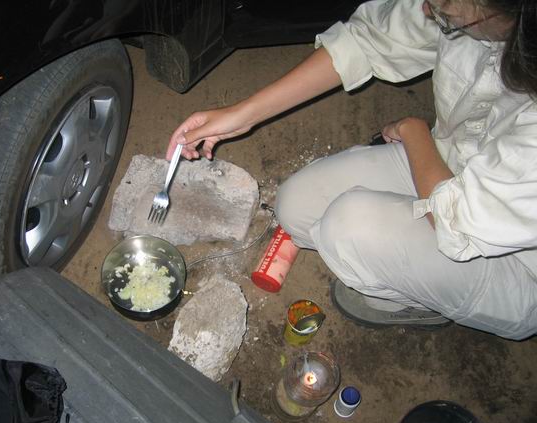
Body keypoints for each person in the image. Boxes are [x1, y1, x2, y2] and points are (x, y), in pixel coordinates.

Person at [166, 0, 537, 340]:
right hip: (449, 160)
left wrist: (413, 131)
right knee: (295, 206)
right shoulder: (467, 7)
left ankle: (419, 302)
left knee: (349, 225)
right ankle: (390, 256)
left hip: (508, 257)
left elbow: (455, 219)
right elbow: (368, 40)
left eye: (444, 14)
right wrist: (241, 115)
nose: (426, 10)